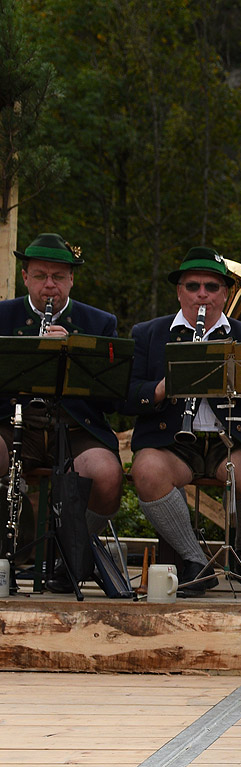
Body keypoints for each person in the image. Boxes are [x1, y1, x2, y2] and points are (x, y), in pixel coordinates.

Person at [126, 247, 241, 597]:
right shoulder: (149, 333)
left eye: (212, 287)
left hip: (232, 442)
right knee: (147, 471)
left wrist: (240, 384)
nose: (203, 294)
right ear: (179, 291)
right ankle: (195, 561)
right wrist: (161, 389)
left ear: (225, 293)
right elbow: (125, 395)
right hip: (172, 442)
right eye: (194, 286)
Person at [1, 233, 124, 593]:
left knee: (106, 475)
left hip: (74, 427)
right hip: (12, 423)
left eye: (58, 277)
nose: (49, 286)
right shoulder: (3, 316)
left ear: (72, 279)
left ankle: (69, 554)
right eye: (40, 276)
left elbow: (112, 402)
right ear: (25, 277)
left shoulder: (99, 322)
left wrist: (72, 355)